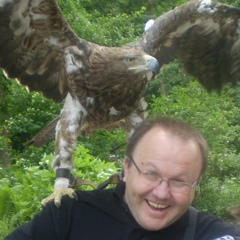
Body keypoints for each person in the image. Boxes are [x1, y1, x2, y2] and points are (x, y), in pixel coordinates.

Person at [5, 116, 240, 240]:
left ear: (196, 184)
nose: (161, 192)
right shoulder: (69, 215)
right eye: (151, 173)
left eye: (179, 180)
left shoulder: (207, 232)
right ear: (126, 168)